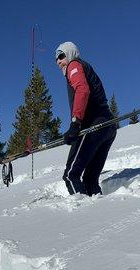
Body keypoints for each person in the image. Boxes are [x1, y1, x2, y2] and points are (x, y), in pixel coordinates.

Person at [55, 41, 117, 196]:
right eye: (56, 59)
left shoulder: (74, 65)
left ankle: (81, 215)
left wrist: (76, 123)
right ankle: (97, 213)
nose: (58, 61)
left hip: (93, 125)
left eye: (61, 56)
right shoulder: (84, 66)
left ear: (70, 53)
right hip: (108, 126)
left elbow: (82, 89)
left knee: (71, 175)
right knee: (90, 179)